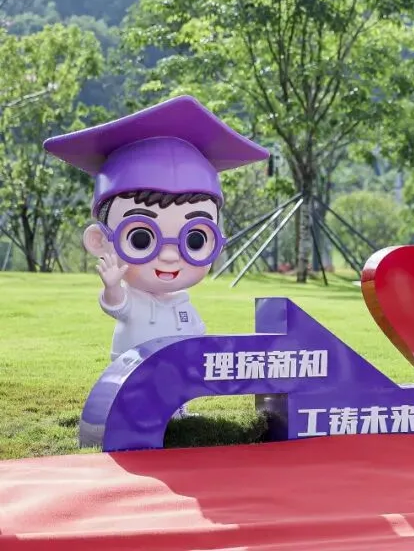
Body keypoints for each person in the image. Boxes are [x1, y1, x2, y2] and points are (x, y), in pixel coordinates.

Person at [43, 95, 269, 418]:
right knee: (138, 398)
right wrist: (111, 286)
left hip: (173, 370)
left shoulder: (182, 303)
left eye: (194, 239)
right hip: (133, 367)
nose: (169, 256)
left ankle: (177, 412)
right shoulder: (134, 300)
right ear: (99, 241)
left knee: (173, 392)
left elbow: (197, 337)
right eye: (141, 238)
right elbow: (117, 305)